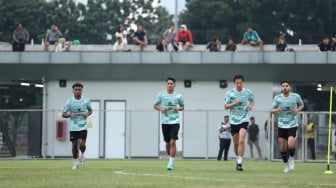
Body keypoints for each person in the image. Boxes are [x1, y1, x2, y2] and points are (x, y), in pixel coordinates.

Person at [270, 80, 304, 173]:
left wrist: (297, 110)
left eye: (286, 86)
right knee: (282, 148)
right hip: (281, 125)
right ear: (281, 88)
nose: (285, 87)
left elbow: (302, 105)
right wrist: (277, 109)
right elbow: (271, 110)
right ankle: (286, 165)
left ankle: (292, 158)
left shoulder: (295, 96)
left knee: (291, 144)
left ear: (289, 87)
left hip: (293, 124)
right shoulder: (277, 98)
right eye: (283, 86)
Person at [224, 74, 255, 171]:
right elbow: (225, 106)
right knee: (236, 143)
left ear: (243, 83)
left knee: (242, 140)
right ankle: (238, 159)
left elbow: (252, 101)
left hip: (244, 119)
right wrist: (234, 103)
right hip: (233, 121)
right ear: (234, 83)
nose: (238, 84)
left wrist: (250, 106)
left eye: (240, 83)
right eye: (237, 83)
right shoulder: (230, 93)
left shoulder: (248, 92)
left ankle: (240, 162)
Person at [153, 77, 184, 170]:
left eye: (171, 84)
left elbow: (182, 106)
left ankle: (170, 163)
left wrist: (178, 108)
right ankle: (171, 157)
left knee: (173, 142)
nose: (170, 85)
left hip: (175, 121)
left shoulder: (178, 96)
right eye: (168, 83)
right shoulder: (161, 95)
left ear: (174, 85)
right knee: (167, 143)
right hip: (165, 122)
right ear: (166, 85)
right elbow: (155, 105)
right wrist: (161, 109)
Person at [62, 83, 93, 170]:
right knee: (74, 145)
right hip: (73, 127)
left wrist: (87, 114)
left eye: (79, 90)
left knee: (82, 144)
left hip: (83, 126)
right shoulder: (69, 102)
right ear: (73, 91)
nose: (78, 91)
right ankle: (75, 162)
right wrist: (70, 115)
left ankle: (82, 155)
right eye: (76, 90)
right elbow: (63, 114)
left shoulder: (86, 100)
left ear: (82, 90)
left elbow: (90, 110)